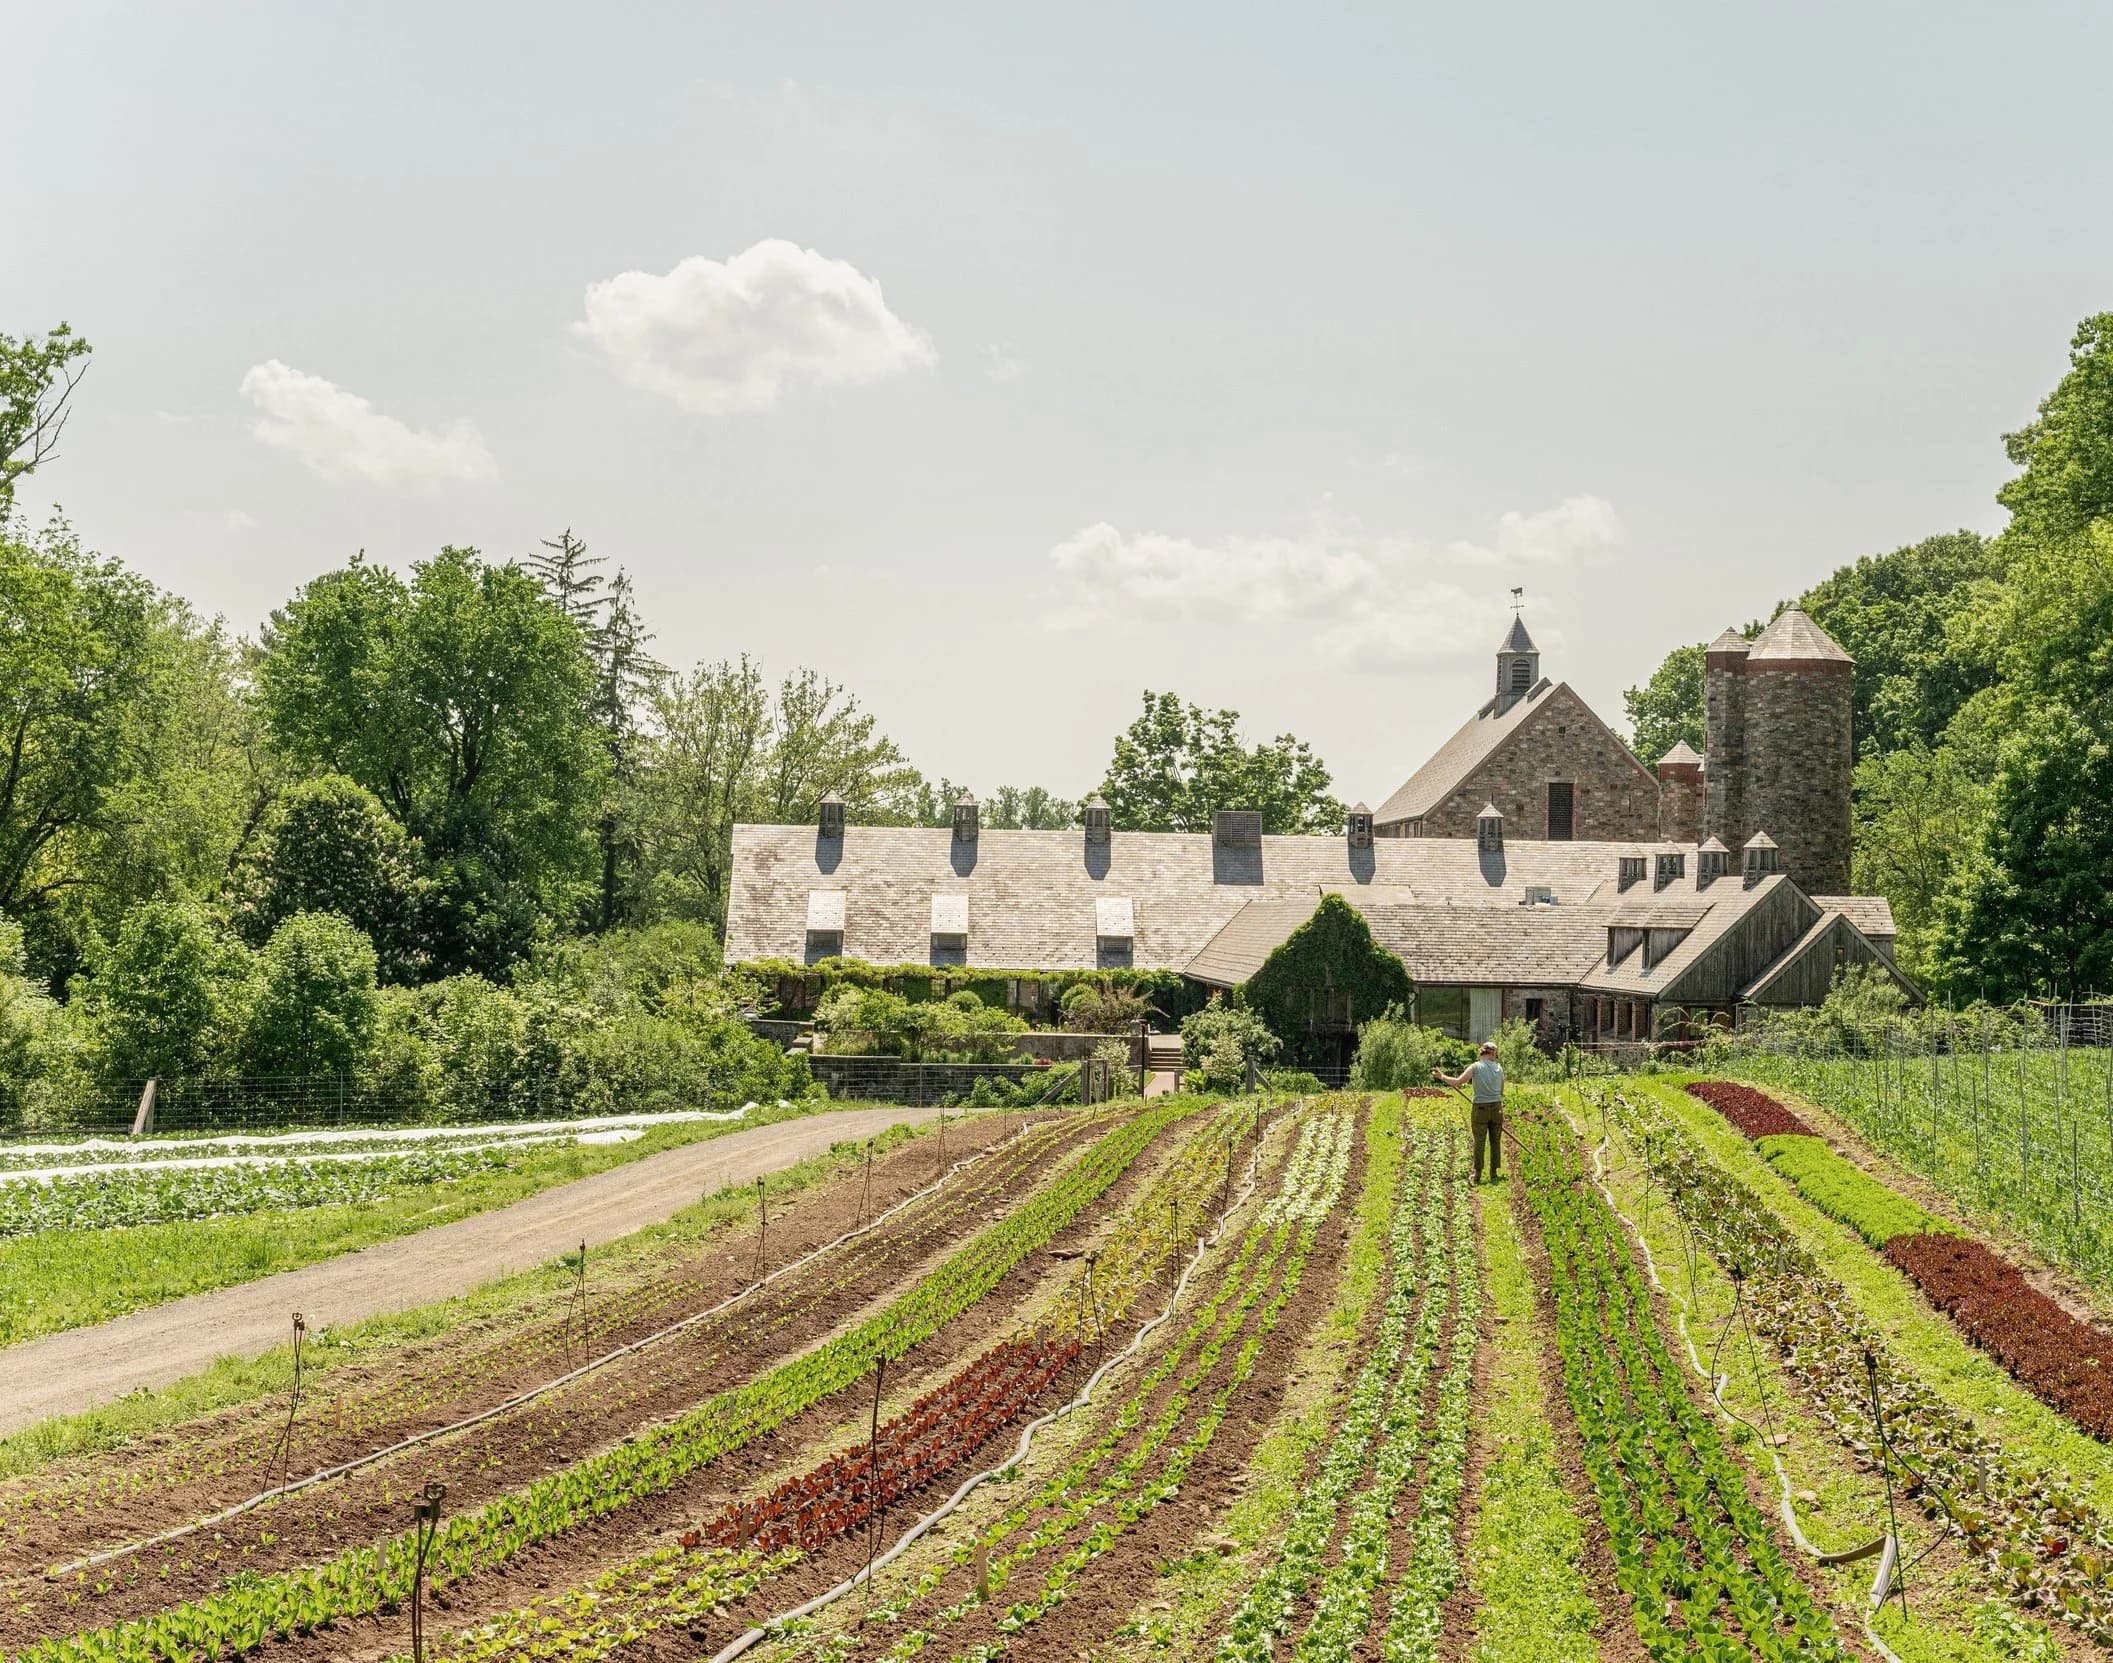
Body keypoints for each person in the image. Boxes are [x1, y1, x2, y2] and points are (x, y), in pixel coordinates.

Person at [1434, 1041, 1504, 1184]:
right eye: (1496, 1053)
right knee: (1495, 1141)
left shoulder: (1475, 1067)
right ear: (1491, 1053)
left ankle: (1477, 1174)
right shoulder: (1499, 1068)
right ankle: (1494, 1172)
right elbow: (1501, 1090)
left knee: (1479, 1141)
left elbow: (1458, 1082)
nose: (1496, 1056)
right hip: (1497, 1108)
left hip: (1480, 1109)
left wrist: (1442, 1076)